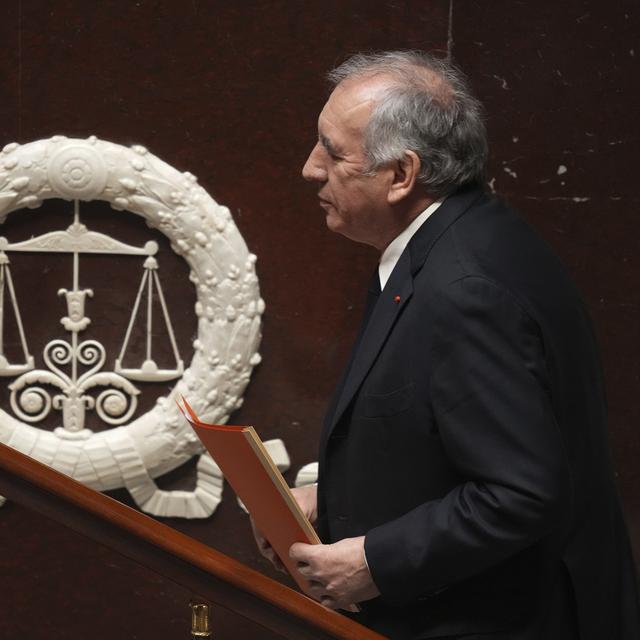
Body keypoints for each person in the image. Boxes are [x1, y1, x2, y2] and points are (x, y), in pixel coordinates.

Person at [254, 50, 640, 639]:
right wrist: (326, 503)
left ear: (402, 175)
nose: (310, 169)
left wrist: (374, 563)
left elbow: (519, 493)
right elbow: (436, 444)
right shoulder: (451, 240)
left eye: (332, 152)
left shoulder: (466, 290)